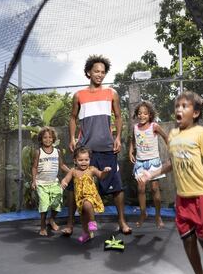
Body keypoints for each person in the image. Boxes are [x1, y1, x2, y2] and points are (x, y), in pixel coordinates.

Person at [137, 91, 203, 274]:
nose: (179, 109)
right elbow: (171, 162)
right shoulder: (173, 135)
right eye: (177, 106)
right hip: (183, 197)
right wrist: (151, 173)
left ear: (195, 113)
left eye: (185, 106)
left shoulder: (201, 133)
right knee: (188, 240)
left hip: (202, 195)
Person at [61, 54, 132, 235]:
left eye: (103, 72)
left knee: (116, 186)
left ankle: (122, 222)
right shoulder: (79, 95)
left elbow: (118, 116)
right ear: (88, 73)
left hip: (108, 148)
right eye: (96, 71)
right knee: (72, 186)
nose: (100, 75)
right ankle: (69, 224)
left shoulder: (111, 93)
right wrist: (71, 138)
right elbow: (72, 118)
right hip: (85, 148)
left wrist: (118, 138)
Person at [129, 101, 168, 228]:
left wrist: (171, 150)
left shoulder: (154, 126)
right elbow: (133, 140)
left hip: (153, 162)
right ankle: (143, 213)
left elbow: (166, 137)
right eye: (139, 113)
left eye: (145, 113)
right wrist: (131, 151)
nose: (142, 116)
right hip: (140, 162)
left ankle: (158, 216)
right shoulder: (135, 128)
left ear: (150, 115)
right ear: (137, 115)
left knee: (154, 188)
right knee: (141, 188)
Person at [61, 146, 111, 243]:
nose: (84, 162)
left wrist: (105, 172)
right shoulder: (73, 171)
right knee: (83, 218)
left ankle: (92, 222)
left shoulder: (91, 170)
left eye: (86, 160)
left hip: (90, 196)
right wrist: (63, 182)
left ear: (90, 160)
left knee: (88, 204)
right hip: (79, 198)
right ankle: (86, 233)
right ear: (75, 161)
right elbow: (66, 179)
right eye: (80, 160)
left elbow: (101, 175)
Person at [31, 127, 69, 236]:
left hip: (54, 183)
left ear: (53, 139)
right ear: (41, 139)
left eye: (50, 137)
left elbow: (61, 165)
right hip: (41, 184)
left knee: (57, 204)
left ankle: (51, 219)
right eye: (45, 137)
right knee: (44, 205)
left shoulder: (57, 152)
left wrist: (72, 171)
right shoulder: (39, 152)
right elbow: (34, 167)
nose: (48, 140)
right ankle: (43, 227)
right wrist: (34, 181)